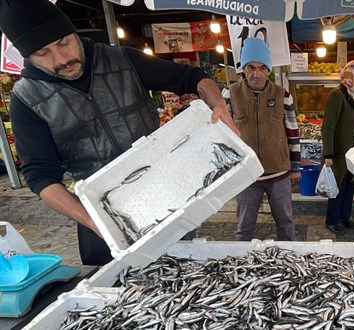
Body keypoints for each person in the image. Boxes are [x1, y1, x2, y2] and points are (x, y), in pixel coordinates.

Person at [0, 0, 239, 266]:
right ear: (27, 56)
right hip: (101, 214)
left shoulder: (122, 59)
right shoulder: (26, 99)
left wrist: (216, 101)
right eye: (43, 52)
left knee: (182, 269)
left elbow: (191, 77)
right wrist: (95, 221)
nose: (61, 59)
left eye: (63, 42)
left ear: (74, 32)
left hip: (164, 197)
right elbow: (40, 176)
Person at [223, 38, 300, 241]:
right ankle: (241, 266)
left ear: (269, 70)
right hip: (246, 175)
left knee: (285, 224)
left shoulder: (283, 95)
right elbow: (223, 135)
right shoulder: (230, 94)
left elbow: (293, 131)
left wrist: (295, 167)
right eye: (251, 67)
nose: (257, 74)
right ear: (243, 69)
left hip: (279, 171)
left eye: (262, 68)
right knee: (244, 228)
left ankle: (289, 263)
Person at [321, 60, 354, 235]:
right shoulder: (337, 95)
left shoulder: (353, 95)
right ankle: (332, 220)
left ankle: (344, 217)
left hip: (351, 153)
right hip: (338, 154)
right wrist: (328, 154)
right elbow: (328, 126)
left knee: (349, 187)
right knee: (337, 188)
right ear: (350, 74)